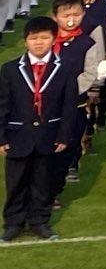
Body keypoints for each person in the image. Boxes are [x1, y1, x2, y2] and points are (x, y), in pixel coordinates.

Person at [3, 13, 79, 243]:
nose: (38, 43)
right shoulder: (10, 69)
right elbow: (1, 105)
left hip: (49, 135)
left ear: (53, 40)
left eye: (44, 38)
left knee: (42, 182)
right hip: (17, 136)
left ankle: (40, 221)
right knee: (15, 182)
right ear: (25, 41)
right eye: (34, 38)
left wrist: (65, 135)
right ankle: (13, 223)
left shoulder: (65, 68)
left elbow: (69, 105)